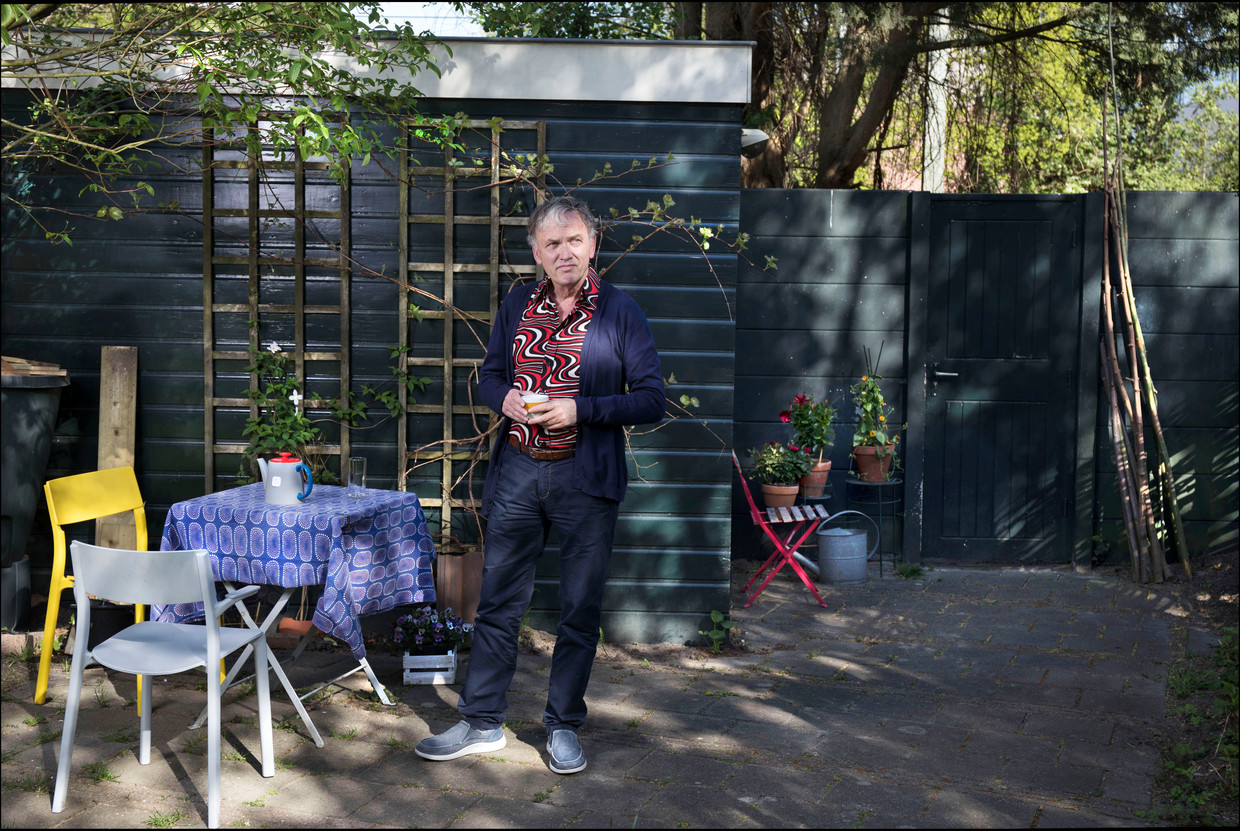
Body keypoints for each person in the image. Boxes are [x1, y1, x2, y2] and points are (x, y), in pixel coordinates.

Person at [415, 195, 665, 774]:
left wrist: (580, 411)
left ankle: (563, 727)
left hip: (586, 476)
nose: (565, 252)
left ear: (592, 245)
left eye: (574, 240)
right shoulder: (517, 302)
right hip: (520, 471)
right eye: (552, 244)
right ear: (536, 253)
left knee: (578, 607)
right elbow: (493, 374)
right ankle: (481, 723)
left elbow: (652, 399)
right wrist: (502, 398)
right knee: (499, 600)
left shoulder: (620, 312)